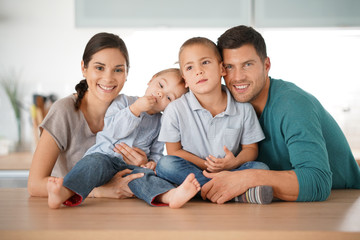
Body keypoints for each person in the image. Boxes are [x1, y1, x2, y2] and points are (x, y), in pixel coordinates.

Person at [201, 25, 360, 203]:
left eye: (247, 65)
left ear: (266, 65)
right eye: (230, 67)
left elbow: (317, 182)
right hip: (278, 205)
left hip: (344, 202)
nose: (238, 77)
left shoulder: (292, 104)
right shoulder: (229, 105)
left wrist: (247, 178)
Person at [47, 67, 201, 209]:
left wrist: (151, 163)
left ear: (172, 108)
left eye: (168, 98)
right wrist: (135, 109)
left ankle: (169, 196)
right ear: (151, 79)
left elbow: (156, 152)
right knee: (91, 164)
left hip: (132, 168)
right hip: (105, 157)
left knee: (143, 177)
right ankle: (64, 193)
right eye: (160, 85)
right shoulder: (124, 101)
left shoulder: (161, 122)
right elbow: (113, 131)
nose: (160, 94)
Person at [28, 32, 148, 200]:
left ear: (127, 73)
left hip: (118, 213)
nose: (108, 78)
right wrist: (97, 191)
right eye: (99, 68)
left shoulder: (134, 112)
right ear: (84, 68)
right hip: (72, 211)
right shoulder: (64, 111)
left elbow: (121, 181)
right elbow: (35, 184)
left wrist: (142, 165)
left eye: (118, 70)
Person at [156, 37, 273, 204]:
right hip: (195, 170)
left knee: (262, 168)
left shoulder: (243, 109)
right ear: (185, 80)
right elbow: (174, 151)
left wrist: (233, 163)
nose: (198, 71)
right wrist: (206, 164)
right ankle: (233, 193)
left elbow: (251, 148)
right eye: (190, 67)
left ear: (221, 68)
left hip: (231, 171)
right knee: (165, 165)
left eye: (205, 63)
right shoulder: (175, 110)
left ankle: (206, 191)